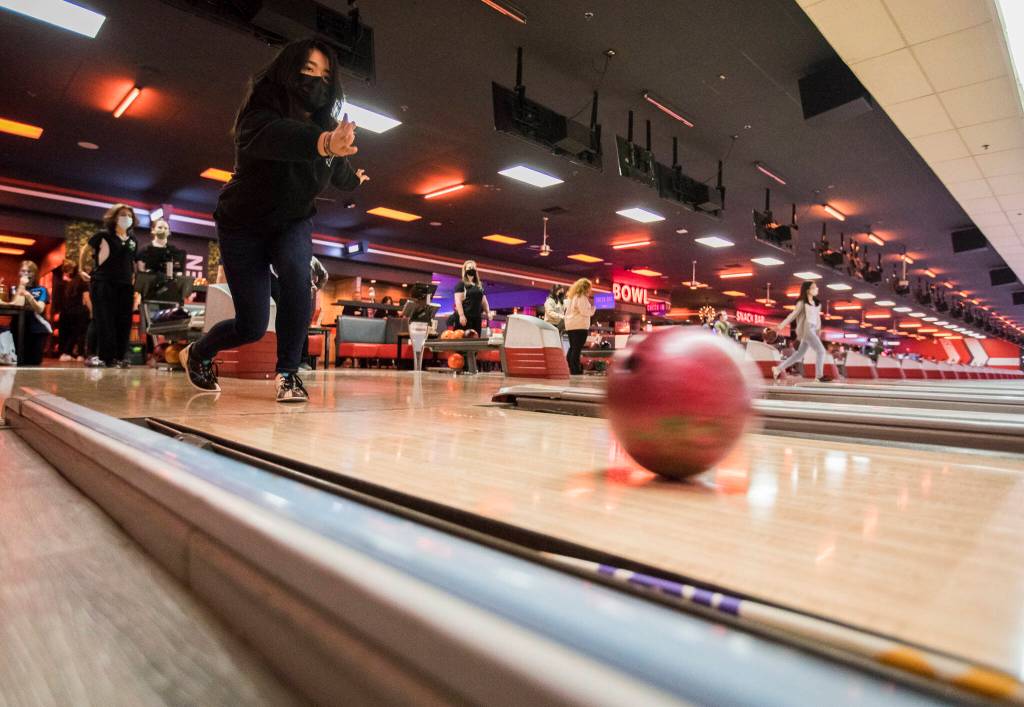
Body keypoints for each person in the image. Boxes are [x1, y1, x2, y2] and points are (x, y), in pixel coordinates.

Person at [179, 38, 368, 402]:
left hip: (292, 221)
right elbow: (278, 138)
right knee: (251, 325)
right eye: (308, 70)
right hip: (242, 225)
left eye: (325, 75)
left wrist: (354, 178)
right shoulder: (260, 112)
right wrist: (324, 143)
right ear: (289, 71)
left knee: (298, 278)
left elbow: (340, 170)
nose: (317, 81)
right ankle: (199, 352)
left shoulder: (328, 127)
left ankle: (288, 374)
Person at [88, 203, 138, 368]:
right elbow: (85, 250)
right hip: (103, 282)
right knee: (103, 319)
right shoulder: (104, 235)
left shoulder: (133, 240)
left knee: (123, 321)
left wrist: (134, 281)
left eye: (129, 216)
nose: (127, 218)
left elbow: (132, 262)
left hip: (125, 285)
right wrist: (82, 269)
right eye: (123, 215)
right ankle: (99, 356)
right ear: (114, 217)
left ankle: (120, 356)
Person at [772, 280, 830, 382]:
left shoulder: (817, 303)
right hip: (806, 329)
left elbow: (817, 318)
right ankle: (819, 376)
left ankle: (778, 369)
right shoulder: (802, 303)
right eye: (813, 287)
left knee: (799, 354)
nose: (816, 289)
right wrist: (781, 325)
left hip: (812, 329)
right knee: (821, 351)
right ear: (807, 290)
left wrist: (818, 330)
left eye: (816, 287)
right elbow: (793, 315)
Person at [11, 261, 52, 366]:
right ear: (19, 273)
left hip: (36, 329)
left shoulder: (41, 289)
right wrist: (22, 286)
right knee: (18, 361)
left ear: (35, 274)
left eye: (29, 271)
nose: (26, 274)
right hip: (18, 329)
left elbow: (40, 309)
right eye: (23, 271)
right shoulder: (15, 289)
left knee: (33, 362)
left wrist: (29, 296)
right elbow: (15, 305)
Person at [54, 259, 89, 361]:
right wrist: (91, 310)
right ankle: (78, 354)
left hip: (65, 311)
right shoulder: (80, 281)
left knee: (66, 333)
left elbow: (57, 300)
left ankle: (65, 353)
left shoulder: (63, 283)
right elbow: (86, 298)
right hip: (78, 311)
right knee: (78, 333)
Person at [564, 278, 595, 375]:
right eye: (589, 288)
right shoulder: (581, 297)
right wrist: (593, 309)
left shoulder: (572, 297)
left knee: (573, 348)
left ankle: (570, 367)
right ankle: (575, 369)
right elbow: (584, 311)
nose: (590, 290)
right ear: (585, 287)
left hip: (571, 326)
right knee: (576, 349)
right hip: (579, 326)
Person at [453, 260, 491, 334]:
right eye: (469, 267)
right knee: (463, 338)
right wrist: (461, 315)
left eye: (473, 267)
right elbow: (458, 301)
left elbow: (484, 300)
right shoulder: (461, 284)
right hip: (465, 317)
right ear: (465, 270)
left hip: (477, 318)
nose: (471, 269)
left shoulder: (480, 285)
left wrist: (488, 312)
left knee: (476, 338)